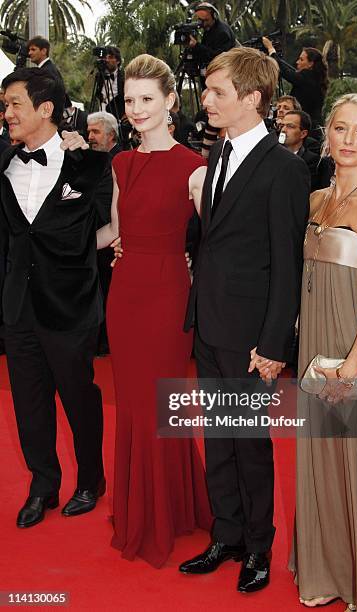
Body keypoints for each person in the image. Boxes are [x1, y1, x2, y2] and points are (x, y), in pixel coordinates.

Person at [258, 93, 357, 610]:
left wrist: (349, 366)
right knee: (322, 457)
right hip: (317, 343)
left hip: (355, 346)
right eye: (340, 129)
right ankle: (327, 569)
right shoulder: (316, 200)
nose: (347, 140)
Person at [179, 47, 310, 593]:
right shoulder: (217, 156)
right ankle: (227, 533)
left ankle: (258, 544)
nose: (206, 100)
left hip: (252, 334)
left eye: (217, 92)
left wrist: (273, 341)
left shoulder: (285, 169)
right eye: (208, 90)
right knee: (218, 436)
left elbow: (287, 264)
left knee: (250, 442)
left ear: (251, 99)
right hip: (209, 324)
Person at [96, 54, 212, 568]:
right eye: (129, 100)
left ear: (170, 101)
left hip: (168, 294)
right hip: (125, 293)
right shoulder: (120, 162)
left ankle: (164, 512)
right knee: (135, 405)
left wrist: (192, 260)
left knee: (159, 403)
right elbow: (113, 232)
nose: (137, 109)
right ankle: (154, 506)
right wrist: (48, 239)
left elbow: (220, 237)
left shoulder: (194, 166)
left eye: (147, 99)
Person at [0, 67, 107, 528]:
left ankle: (90, 479)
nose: (6, 114)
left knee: (78, 397)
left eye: (14, 104)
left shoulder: (87, 164)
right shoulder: (3, 161)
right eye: (4, 106)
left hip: (69, 305)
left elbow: (110, 226)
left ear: (46, 109)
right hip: (17, 306)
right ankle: (43, 483)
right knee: (28, 401)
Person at [87, 111, 122, 356]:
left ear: (111, 135)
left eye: (95, 132)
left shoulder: (121, 161)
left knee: (110, 293)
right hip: (93, 239)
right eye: (88, 132)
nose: (90, 137)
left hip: (115, 242)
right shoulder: (91, 161)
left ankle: (108, 339)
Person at [263, 39, 328, 132]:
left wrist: (271, 50)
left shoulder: (308, 78)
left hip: (307, 131)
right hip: (312, 128)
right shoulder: (316, 80)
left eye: (301, 59)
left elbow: (287, 73)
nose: (297, 62)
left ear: (311, 64)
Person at [279, 109, 322, 190]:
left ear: (303, 134)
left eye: (290, 126)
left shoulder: (311, 161)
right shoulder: (271, 155)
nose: (283, 130)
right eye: (282, 126)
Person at [27, 36, 71, 108]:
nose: (29, 53)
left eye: (33, 49)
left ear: (44, 51)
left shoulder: (47, 71)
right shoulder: (49, 68)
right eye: (29, 50)